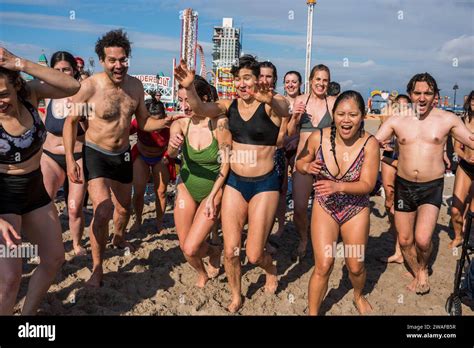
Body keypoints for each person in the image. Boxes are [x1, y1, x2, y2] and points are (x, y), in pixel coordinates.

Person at [64, 29, 183, 287]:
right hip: (96, 153)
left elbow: (142, 122)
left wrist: (165, 121)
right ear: (103, 60)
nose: (118, 65)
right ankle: (97, 268)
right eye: (112, 60)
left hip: (122, 155)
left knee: (123, 208)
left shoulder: (135, 87)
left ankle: (118, 237)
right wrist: (70, 160)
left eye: (123, 59)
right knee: (104, 208)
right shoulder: (90, 87)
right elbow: (71, 122)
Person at [174, 55, 290, 312]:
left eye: (246, 78)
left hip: (265, 183)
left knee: (255, 254)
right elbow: (202, 109)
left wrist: (267, 98)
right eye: (237, 79)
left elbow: (285, 110)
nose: (241, 83)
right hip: (236, 183)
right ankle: (236, 295)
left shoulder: (270, 104)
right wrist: (190, 87)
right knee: (230, 250)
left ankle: (270, 269)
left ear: (257, 79)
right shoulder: (229, 106)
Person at [376, 73, 474, 294]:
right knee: (404, 238)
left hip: (432, 187)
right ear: (410, 94)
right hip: (404, 185)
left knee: (422, 239)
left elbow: (470, 139)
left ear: (435, 96)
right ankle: (416, 268)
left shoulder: (447, 119)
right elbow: (372, 142)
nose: (422, 98)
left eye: (427, 93)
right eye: (417, 93)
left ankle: (422, 268)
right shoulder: (397, 119)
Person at [0, 47, 80, 314]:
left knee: (54, 258)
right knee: (10, 278)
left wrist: (19, 62)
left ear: (16, 86)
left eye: (3, 94)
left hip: (34, 189)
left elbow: (71, 85)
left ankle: (27, 316)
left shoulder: (30, 95)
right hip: (3, 197)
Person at [296, 90, 379, 315]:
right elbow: (300, 162)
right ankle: (313, 312)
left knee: (356, 266)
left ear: (362, 116)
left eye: (353, 114)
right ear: (334, 115)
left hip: (356, 209)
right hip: (325, 207)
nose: (346, 119)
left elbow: (368, 184)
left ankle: (358, 295)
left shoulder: (370, 144)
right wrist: (307, 167)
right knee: (323, 265)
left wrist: (338, 186)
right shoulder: (318, 137)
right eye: (341, 114)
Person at [168, 76, 231, 287]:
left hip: (213, 190)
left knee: (191, 248)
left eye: (188, 101)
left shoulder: (219, 124)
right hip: (187, 187)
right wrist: (172, 145)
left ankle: (212, 249)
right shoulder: (180, 124)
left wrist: (213, 196)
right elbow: (168, 154)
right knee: (184, 246)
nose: (184, 106)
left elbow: (226, 164)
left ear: (202, 99)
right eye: (181, 100)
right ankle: (208, 260)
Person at [40, 51, 87, 256]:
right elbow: (43, 124)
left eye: (65, 69)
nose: (61, 73)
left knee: (74, 207)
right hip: (50, 156)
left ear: (74, 70)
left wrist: (80, 114)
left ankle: (76, 244)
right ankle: (49, 244)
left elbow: (92, 130)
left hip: (77, 156)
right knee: (43, 203)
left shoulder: (84, 93)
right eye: (57, 70)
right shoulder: (48, 95)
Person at [287, 64, 336, 260]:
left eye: (325, 80)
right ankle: (303, 239)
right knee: (299, 208)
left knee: (325, 207)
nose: (321, 84)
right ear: (310, 81)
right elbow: (290, 132)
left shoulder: (333, 102)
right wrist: (296, 117)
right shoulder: (301, 100)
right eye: (318, 79)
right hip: (303, 162)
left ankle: (322, 242)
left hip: (326, 163)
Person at [129, 97, 175, 234]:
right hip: (141, 155)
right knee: (138, 191)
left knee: (161, 192)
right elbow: (122, 132)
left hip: (161, 157)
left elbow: (177, 143)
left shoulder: (170, 125)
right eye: (152, 121)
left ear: (164, 117)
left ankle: (159, 223)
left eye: (158, 121)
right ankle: (137, 220)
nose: (155, 126)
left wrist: (167, 156)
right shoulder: (138, 122)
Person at [259, 61, 288, 249]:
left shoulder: (280, 102)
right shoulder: (248, 99)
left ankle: (264, 240)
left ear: (274, 79)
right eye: (261, 76)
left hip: (273, 157)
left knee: (269, 204)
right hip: (247, 158)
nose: (264, 80)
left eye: (268, 76)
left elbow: (281, 138)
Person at [379, 94, 411, 264]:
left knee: (398, 205)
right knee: (389, 199)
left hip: (402, 159)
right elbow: (381, 135)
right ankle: (396, 234)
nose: (402, 109)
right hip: (389, 155)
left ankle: (400, 250)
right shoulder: (389, 118)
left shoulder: (412, 123)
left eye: (406, 106)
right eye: (399, 106)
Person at [450, 90, 474, 248]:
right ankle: (458, 236)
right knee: (455, 209)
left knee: (472, 212)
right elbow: (456, 147)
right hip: (465, 166)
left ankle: (468, 237)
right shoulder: (462, 121)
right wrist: (465, 157)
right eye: (473, 100)